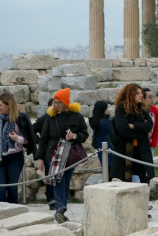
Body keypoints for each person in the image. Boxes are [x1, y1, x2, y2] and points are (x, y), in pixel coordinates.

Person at [36, 88, 88, 223]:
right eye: (55, 102)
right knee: (58, 181)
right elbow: (44, 138)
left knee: (65, 181)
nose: (56, 105)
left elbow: (84, 134)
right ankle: (60, 209)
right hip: (53, 154)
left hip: (69, 153)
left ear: (65, 102)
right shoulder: (51, 117)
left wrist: (74, 136)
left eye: (58, 102)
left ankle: (62, 208)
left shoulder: (77, 116)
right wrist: (40, 158)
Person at [0, 93, 35, 204]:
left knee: (12, 187)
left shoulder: (20, 117)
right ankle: (0, 214)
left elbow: (27, 139)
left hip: (14, 156)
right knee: (1, 187)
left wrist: (16, 138)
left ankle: (13, 213)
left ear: (9, 105)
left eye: (1, 105)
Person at [110, 84, 154, 185]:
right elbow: (123, 130)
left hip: (141, 149)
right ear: (131, 95)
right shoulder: (121, 108)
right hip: (125, 149)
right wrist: (141, 132)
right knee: (122, 180)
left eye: (141, 93)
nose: (141, 95)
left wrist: (134, 126)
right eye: (138, 93)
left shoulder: (142, 109)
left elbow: (149, 126)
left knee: (145, 178)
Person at [32, 99, 55, 209]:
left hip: (58, 151)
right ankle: (51, 199)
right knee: (50, 175)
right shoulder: (42, 119)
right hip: (47, 152)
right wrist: (39, 141)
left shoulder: (59, 118)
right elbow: (32, 130)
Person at [89, 101, 113, 167]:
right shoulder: (104, 123)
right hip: (109, 150)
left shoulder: (96, 121)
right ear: (103, 110)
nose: (108, 110)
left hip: (101, 149)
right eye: (107, 108)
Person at [143, 89, 158, 157]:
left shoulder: (155, 110)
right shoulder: (137, 110)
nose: (152, 99)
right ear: (143, 99)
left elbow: (157, 128)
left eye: (152, 96)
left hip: (150, 146)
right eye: (149, 97)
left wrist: (153, 145)